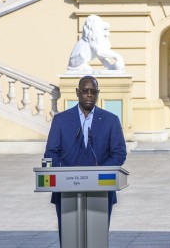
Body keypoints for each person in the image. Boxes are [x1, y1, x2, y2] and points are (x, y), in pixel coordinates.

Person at [44, 75, 127, 231]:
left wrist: (97, 172)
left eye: (93, 91)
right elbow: (51, 153)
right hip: (67, 188)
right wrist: (65, 171)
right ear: (77, 92)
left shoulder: (111, 120)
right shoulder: (61, 120)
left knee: (97, 236)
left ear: (97, 93)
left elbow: (119, 153)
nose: (89, 95)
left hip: (101, 189)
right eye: (85, 91)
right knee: (70, 235)